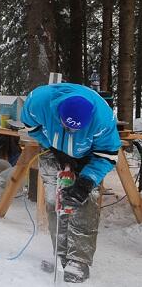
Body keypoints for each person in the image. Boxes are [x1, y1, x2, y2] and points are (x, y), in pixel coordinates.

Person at [21, 83, 121, 283]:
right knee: (55, 202)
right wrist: (54, 148)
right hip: (53, 151)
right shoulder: (39, 102)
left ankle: (78, 261)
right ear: (58, 112)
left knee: (84, 203)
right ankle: (60, 254)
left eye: (76, 128)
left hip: (88, 157)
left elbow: (108, 155)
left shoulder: (102, 118)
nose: (71, 131)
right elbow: (31, 126)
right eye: (67, 126)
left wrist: (86, 182)